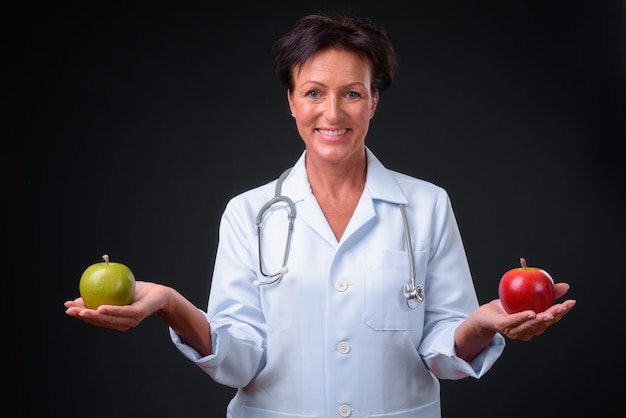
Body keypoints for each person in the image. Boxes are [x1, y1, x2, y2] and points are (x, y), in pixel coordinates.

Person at [65, 12, 576, 417]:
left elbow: (442, 349)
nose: (332, 114)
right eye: (314, 93)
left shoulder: (426, 206)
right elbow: (240, 358)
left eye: (352, 93)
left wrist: (485, 323)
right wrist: (171, 304)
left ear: (374, 101)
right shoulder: (249, 213)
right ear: (291, 101)